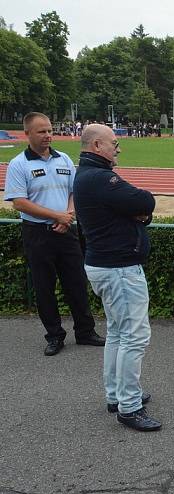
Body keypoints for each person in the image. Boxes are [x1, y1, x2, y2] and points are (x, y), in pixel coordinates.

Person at [73, 124, 160, 431]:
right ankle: (129, 405)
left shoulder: (86, 176)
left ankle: (117, 395)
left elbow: (138, 209)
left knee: (118, 333)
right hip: (119, 268)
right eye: (114, 143)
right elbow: (145, 201)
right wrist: (138, 209)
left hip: (105, 265)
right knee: (134, 336)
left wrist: (137, 212)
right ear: (97, 145)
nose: (118, 148)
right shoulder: (101, 178)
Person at [3, 112, 104, 356]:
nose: (48, 135)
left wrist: (67, 215)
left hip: (66, 229)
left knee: (77, 283)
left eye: (49, 130)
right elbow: (19, 202)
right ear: (27, 134)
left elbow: (74, 192)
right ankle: (55, 335)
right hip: (38, 233)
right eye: (41, 131)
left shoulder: (64, 159)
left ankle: (85, 331)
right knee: (44, 287)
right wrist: (55, 216)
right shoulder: (19, 164)